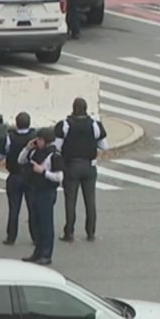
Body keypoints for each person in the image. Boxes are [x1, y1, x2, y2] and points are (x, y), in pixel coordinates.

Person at [54, 97, 108, 242]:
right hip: (89, 166)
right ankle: (90, 232)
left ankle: (69, 232)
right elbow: (104, 146)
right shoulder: (95, 125)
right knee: (90, 200)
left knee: (70, 200)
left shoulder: (65, 125)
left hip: (71, 166)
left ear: (73, 108)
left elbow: (57, 146)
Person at [18, 126, 64, 265]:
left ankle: (46, 253)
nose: (37, 141)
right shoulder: (34, 152)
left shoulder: (54, 156)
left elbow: (59, 177)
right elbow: (20, 160)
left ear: (47, 141)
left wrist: (43, 172)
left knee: (46, 224)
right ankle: (37, 251)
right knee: (36, 222)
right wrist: (27, 148)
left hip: (46, 192)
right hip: (34, 190)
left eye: (40, 139)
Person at [0, 112, 36, 246]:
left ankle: (11, 237)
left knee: (14, 208)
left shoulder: (9, 138)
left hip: (14, 175)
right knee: (32, 208)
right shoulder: (35, 137)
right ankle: (35, 236)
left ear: (16, 123)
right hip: (31, 176)